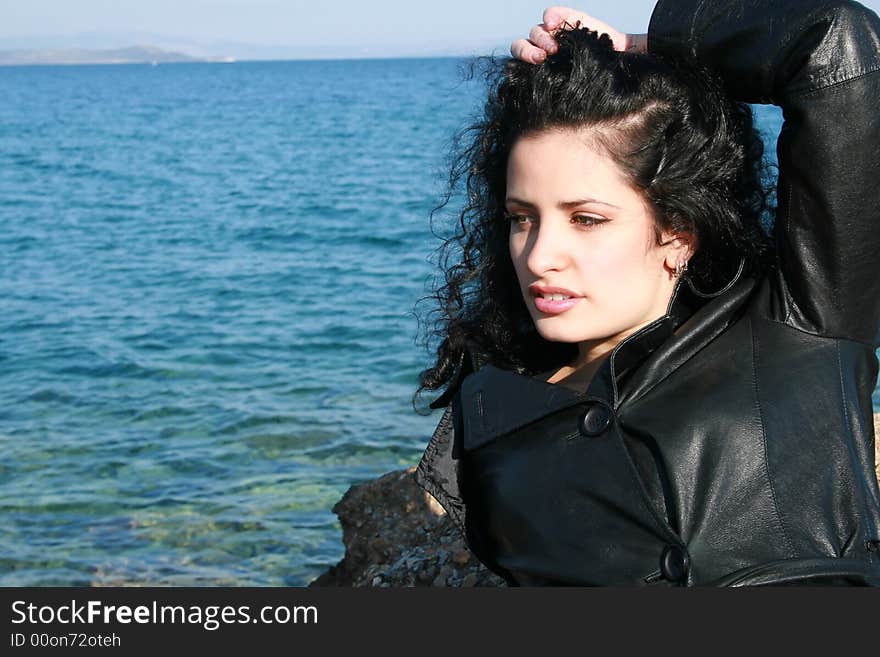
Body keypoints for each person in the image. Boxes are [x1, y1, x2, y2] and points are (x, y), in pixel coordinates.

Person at [414, 0, 880, 586]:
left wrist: (644, 49)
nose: (539, 256)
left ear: (678, 232)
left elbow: (836, 43)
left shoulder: (799, 320)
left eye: (586, 219)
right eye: (521, 217)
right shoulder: (489, 416)